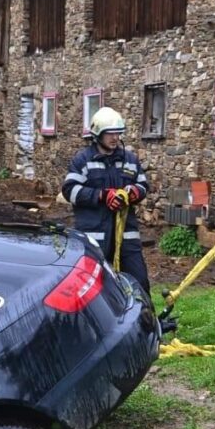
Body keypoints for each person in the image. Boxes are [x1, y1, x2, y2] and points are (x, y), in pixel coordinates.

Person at [61, 106, 150, 294]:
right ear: (97, 134)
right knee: (90, 288)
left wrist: (134, 192)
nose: (115, 138)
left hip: (126, 236)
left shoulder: (130, 159)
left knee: (140, 283)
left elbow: (143, 185)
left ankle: (146, 321)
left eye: (118, 133)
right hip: (94, 237)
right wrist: (102, 196)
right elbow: (70, 190)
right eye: (110, 133)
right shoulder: (83, 160)